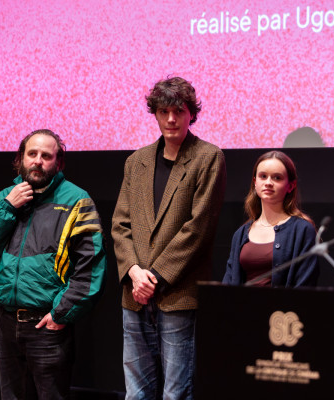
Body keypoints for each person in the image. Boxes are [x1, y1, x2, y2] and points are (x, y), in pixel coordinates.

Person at [0, 129, 107, 400]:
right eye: (32, 154)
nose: (38, 161)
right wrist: (8, 207)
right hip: (6, 324)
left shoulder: (77, 201)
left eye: (46, 156)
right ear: (21, 158)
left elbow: (90, 269)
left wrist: (61, 314)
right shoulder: (2, 199)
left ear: (59, 162)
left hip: (47, 327)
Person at [112, 76, 226, 399]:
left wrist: (155, 278)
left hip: (177, 294)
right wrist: (134, 273)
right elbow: (120, 224)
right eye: (164, 111)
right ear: (156, 114)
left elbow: (198, 228)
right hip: (135, 294)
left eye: (179, 111)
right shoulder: (136, 161)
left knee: (176, 394)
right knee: (136, 393)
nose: (171, 119)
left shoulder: (208, 157)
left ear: (191, 114)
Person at [222, 151, 319, 287]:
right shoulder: (241, 234)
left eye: (277, 178)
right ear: (255, 182)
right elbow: (229, 282)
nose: (268, 183)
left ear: (290, 186)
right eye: (263, 176)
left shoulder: (302, 230)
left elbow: (305, 285)